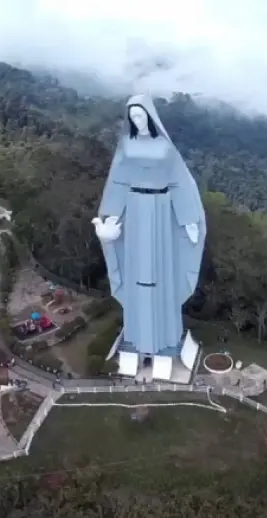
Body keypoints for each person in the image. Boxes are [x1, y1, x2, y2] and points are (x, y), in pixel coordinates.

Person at [93, 94, 206, 355]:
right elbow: (117, 183)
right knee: (136, 270)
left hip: (161, 210)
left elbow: (180, 182)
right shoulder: (126, 145)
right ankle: (136, 334)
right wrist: (109, 218)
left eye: (141, 115)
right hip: (134, 209)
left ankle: (166, 335)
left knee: (162, 269)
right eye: (132, 116)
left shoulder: (166, 148)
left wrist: (189, 220)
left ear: (150, 115)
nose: (137, 119)